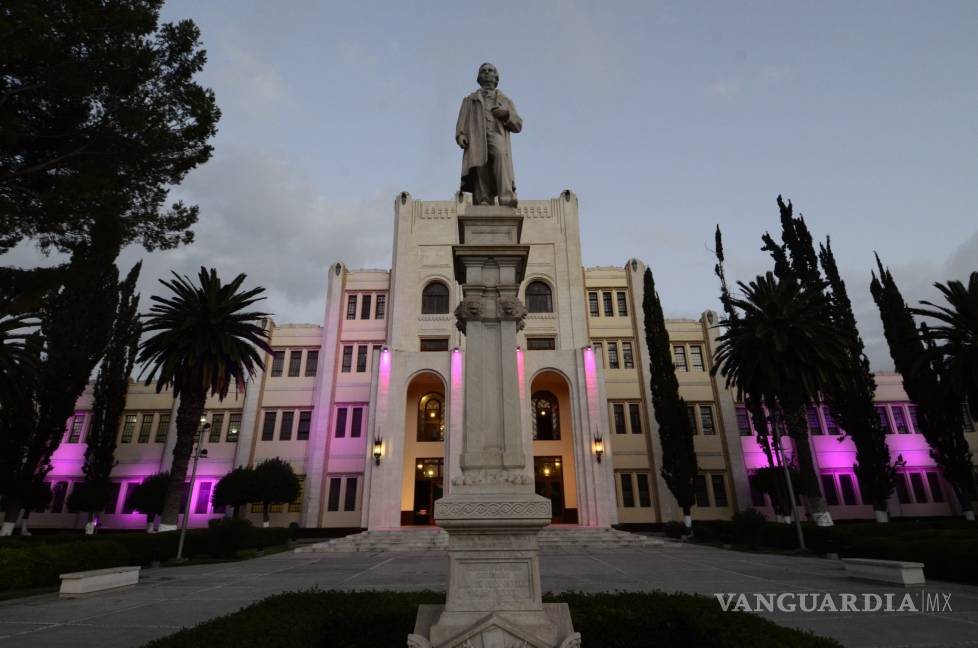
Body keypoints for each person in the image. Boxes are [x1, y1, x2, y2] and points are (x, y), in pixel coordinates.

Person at [455, 63, 522, 207]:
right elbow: (462, 120)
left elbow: (518, 124)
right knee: (480, 164)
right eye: (483, 71)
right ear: (479, 77)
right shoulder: (470, 100)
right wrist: (461, 134)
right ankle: (483, 198)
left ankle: (506, 197)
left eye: (490, 71)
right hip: (476, 135)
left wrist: (506, 114)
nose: (487, 73)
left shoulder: (505, 100)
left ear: (496, 77)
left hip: (496, 133)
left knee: (500, 155)